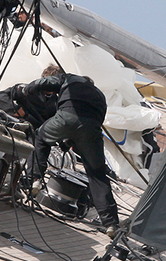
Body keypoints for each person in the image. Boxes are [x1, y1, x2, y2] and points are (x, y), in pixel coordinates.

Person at [17, 64, 120, 236]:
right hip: (91, 129)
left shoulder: (69, 78)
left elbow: (47, 82)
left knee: (40, 137)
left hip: (65, 118)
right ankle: (111, 223)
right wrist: (68, 143)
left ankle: (34, 178)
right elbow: (88, 122)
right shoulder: (100, 96)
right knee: (97, 174)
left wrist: (26, 89)